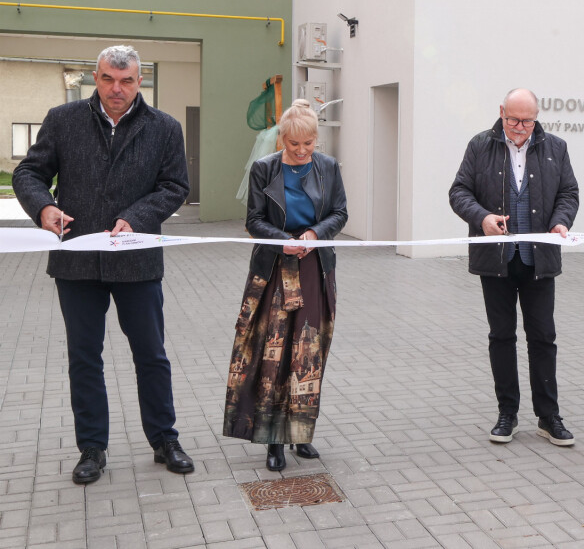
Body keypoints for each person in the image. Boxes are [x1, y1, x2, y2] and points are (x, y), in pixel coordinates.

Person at [13, 45, 192, 484]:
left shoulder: (164, 128)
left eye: (126, 81)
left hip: (137, 261)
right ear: (95, 77)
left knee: (151, 355)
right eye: (109, 79)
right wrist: (44, 208)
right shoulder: (63, 120)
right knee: (84, 358)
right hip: (76, 262)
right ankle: (92, 448)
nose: (117, 89)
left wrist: (138, 217)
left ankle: (164, 439)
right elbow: (29, 173)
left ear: (140, 81)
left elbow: (175, 186)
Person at [449, 88, 580, 446]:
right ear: (501, 112)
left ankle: (549, 417)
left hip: (540, 259)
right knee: (501, 337)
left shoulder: (555, 148)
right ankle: (507, 413)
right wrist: (482, 217)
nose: (520, 127)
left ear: (537, 118)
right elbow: (459, 192)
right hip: (497, 260)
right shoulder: (480, 146)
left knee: (543, 338)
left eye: (527, 121)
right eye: (513, 120)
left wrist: (561, 222)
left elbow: (568, 193)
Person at [223, 98, 348, 471]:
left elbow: (340, 212)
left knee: (307, 354)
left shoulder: (328, 168)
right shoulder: (264, 169)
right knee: (273, 353)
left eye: (308, 143)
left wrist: (314, 233)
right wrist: (283, 240)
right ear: (282, 139)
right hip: (275, 269)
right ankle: (273, 440)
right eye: (294, 144)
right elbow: (254, 220)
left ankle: (301, 433)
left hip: (314, 268)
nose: (301, 150)